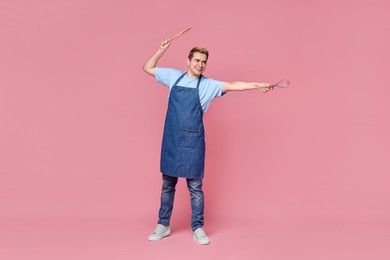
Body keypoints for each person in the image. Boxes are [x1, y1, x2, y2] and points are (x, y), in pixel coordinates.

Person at [143, 37, 272, 245]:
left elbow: (232, 85)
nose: (200, 65)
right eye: (197, 60)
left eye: (203, 62)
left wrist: (257, 85)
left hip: (193, 141)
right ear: (188, 60)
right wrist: (161, 50)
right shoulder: (173, 77)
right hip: (172, 139)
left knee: (195, 187)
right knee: (167, 185)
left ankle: (198, 227)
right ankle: (163, 225)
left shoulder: (208, 85)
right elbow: (147, 67)